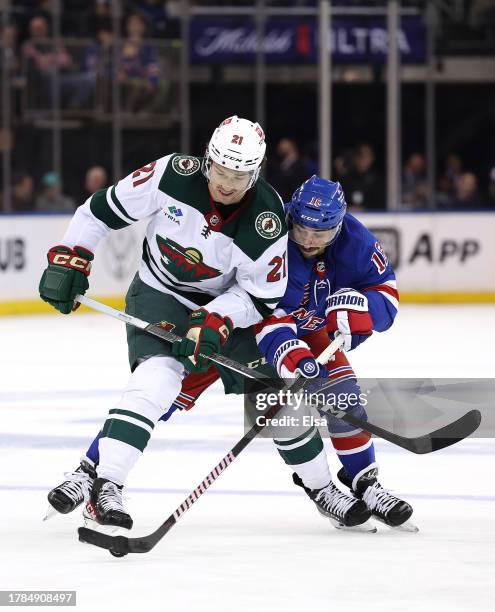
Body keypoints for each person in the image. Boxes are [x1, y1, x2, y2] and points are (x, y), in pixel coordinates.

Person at [47, 174, 413, 531]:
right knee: (158, 394)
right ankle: (91, 471)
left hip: (288, 328)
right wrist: (293, 358)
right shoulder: (276, 240)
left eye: (320, 233)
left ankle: (362, 484)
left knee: (334, 398)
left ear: (339, 225)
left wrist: (364, 311)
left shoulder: (357, 241)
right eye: (300, 228)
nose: (307, 240)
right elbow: (269, 316)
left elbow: (387, 295)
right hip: (236, 325)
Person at [39, 115, 289, 530]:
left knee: (280, 398)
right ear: (208, 160)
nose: (227, 184)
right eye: (221, 171)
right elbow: (100, 209)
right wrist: (72, 254)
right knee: (157, 380)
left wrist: (219, 318)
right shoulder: (173, 174)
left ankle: (327, 488)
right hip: (159, 293)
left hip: (222, 307)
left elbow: (261, 296)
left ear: (256, 173)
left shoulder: (266, 217)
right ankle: (106, 485)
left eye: (240, 176)